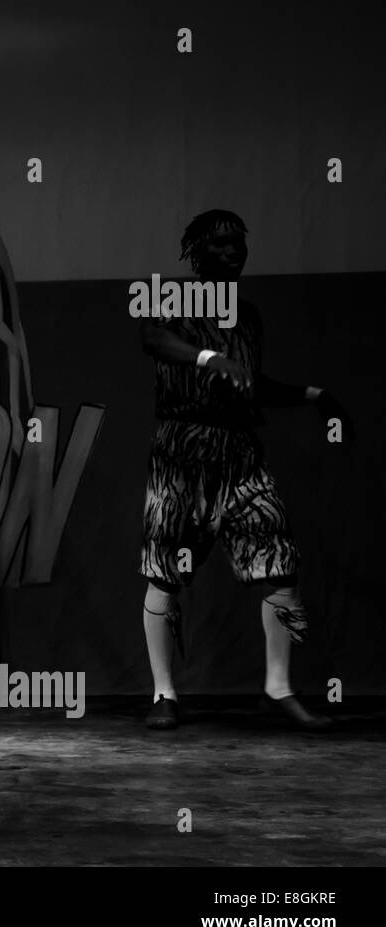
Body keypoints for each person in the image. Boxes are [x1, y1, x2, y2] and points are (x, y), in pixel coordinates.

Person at [138, 209, 353, 731]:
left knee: (279, 560)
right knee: (166, 567)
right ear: (197, 253)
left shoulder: (247, 315)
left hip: (238, 454)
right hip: (182, 451)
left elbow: (250, 384)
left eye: (239, 243)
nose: (232, 251)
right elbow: (154, 341)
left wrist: (312, 394)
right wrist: (210, 359)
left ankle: (276, 689)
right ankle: (163, 694)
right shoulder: (173, 300)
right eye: (220, 244)